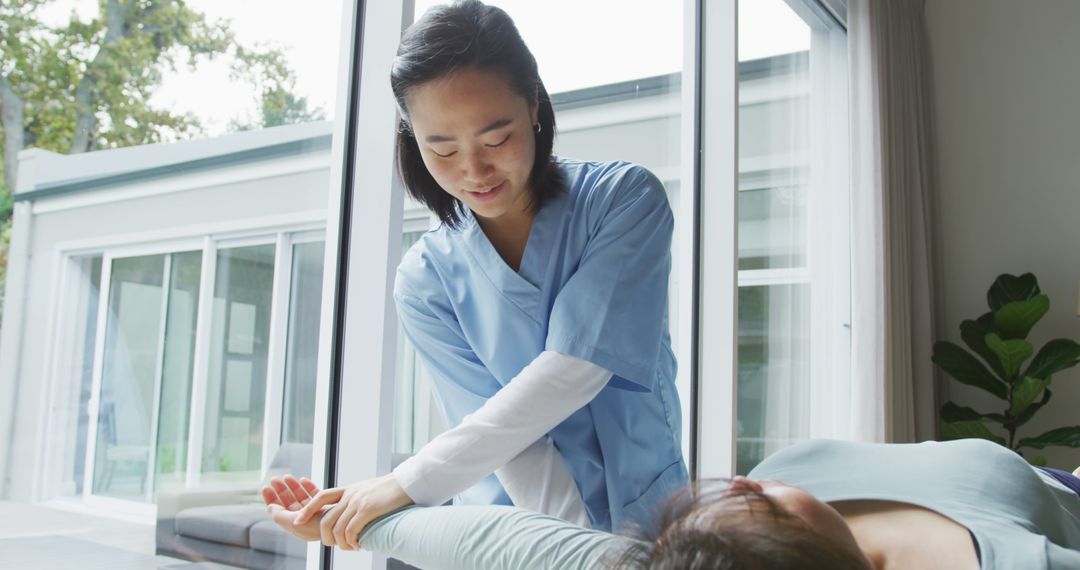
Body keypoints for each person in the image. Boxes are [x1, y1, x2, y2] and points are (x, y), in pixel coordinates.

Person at [267, 0, 688, 550]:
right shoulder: (425, 281)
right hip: (514, 535)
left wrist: (402, 483)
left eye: (496, 140)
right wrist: (581, 554)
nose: (473, 171)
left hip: (652, 514)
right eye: (441, 149)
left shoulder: (623, 200)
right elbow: (514, 449)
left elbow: (578, 368)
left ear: (533, 105)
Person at [264, 438, 1080, 569]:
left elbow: (501, 543)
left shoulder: (693, 561)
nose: (745, 481)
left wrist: (359, 520)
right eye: (761, 504)